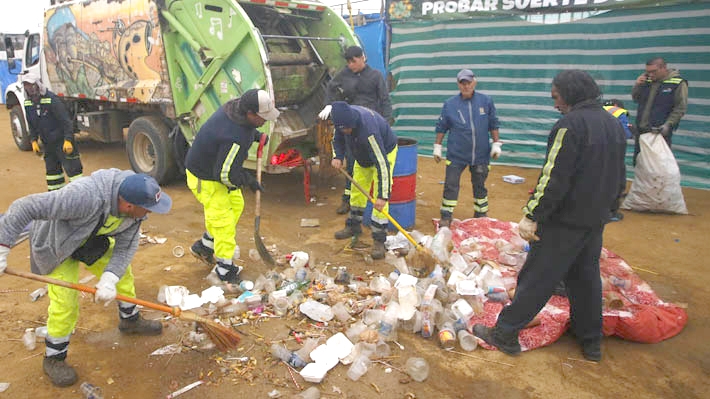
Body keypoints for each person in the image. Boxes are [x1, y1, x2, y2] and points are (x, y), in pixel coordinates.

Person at [472, 70, 627, 362]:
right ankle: (590, 341)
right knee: (585, 277)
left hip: (564, 220)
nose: (555, 104)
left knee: (537, 277)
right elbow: (620, 174)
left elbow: (553, 177)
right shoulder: (612, 124)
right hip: (595, 219)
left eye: (556, 97)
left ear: (569, 94)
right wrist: (611, 208)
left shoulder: (569, 125)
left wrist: (533, 214)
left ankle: (505, 333)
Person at [0, 169, 172, 387]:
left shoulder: (135, 209)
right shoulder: (84, 197)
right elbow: (24, 207)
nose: (149, 213)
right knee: (65, 302)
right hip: (56, 245)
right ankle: (54, 358)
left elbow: (125, 248)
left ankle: (130, 320)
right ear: (128, 205)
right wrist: (2, 247)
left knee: (122, 276)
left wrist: (109, 279)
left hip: (90, 240)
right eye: (146, 209)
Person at [186, 89, 279, 283]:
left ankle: (204, 246)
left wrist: (256, 136)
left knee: (236, 205)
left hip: (213, 171)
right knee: (224, 222)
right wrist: (249, 180)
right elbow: (225, 175)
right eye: (262, 118)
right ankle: (224, 270)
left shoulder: (236, 108)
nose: (265, 121)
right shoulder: (234, 137)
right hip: (206, 179)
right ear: (250, 114)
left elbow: (246, 128)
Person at [318, 45, 392, 215]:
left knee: (376, 163)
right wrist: (330, 105)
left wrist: (386, 123)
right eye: (348, 62)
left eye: (354, 61)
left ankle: (378, 197)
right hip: (350, 125)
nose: (351, 65)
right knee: (352, 164)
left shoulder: (375, 76)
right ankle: (348, 200)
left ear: (363, 57)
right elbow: (330, 87)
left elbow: (385, 100)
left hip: (370, 125)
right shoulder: (344, 75)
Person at [433, 69, 501, 226]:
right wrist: (437, 146)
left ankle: (481, 213)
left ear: (474, 82)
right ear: (458, 84)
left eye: (468, 82)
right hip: (457, 153)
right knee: (451, 184)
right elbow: (442, 126)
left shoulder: (486, 101)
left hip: (480, 154)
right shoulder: (450, 104)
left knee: (480, 185)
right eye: (462, 83)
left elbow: (493, 123)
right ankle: (446, 215)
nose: (466, 86)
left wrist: (496, 143)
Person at [330, 101, 398, 260]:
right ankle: (353, 226)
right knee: (357, 191)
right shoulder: (341, 123)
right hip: (361, 156)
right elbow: (337, 139)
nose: (346, 131)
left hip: (384, 153)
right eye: (343, 129)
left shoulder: (369, 130)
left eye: (348, 128)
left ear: (353, 123)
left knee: (380, 204)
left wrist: (382, 195)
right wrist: (338, 156)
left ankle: (379, 240)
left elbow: (382, 164)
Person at [22, 72, 83, 191]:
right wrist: (33, 140)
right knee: (53, 175)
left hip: (62, 143)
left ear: (37, 85)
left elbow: (66, 122)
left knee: (74, 173)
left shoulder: (52, 100)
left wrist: (68, 140)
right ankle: (56, 199)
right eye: (25, 85)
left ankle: (81, 197)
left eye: (30, 84)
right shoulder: (28, 103)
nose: (28, 87)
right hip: (48, 145)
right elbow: (31, 124)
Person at [631, 57, 688, 165]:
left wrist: (668, 124)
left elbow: (680, 108)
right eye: (648, 72)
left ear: (664, 68)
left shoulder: (677, 83)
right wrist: (637, 85)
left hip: (659, 134)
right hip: (642, 132)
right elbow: (636, 98)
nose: (651, 75)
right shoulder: (646, 80)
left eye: (654, 71)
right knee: (639, 164)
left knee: (658, 166)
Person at [603, 99, 632, 222]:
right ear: (616, 106)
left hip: (594, 153)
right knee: (616, 182)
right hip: (613, 153)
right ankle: (611, 213)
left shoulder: (595, 111)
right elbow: (624, 134)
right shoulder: (619, 112)